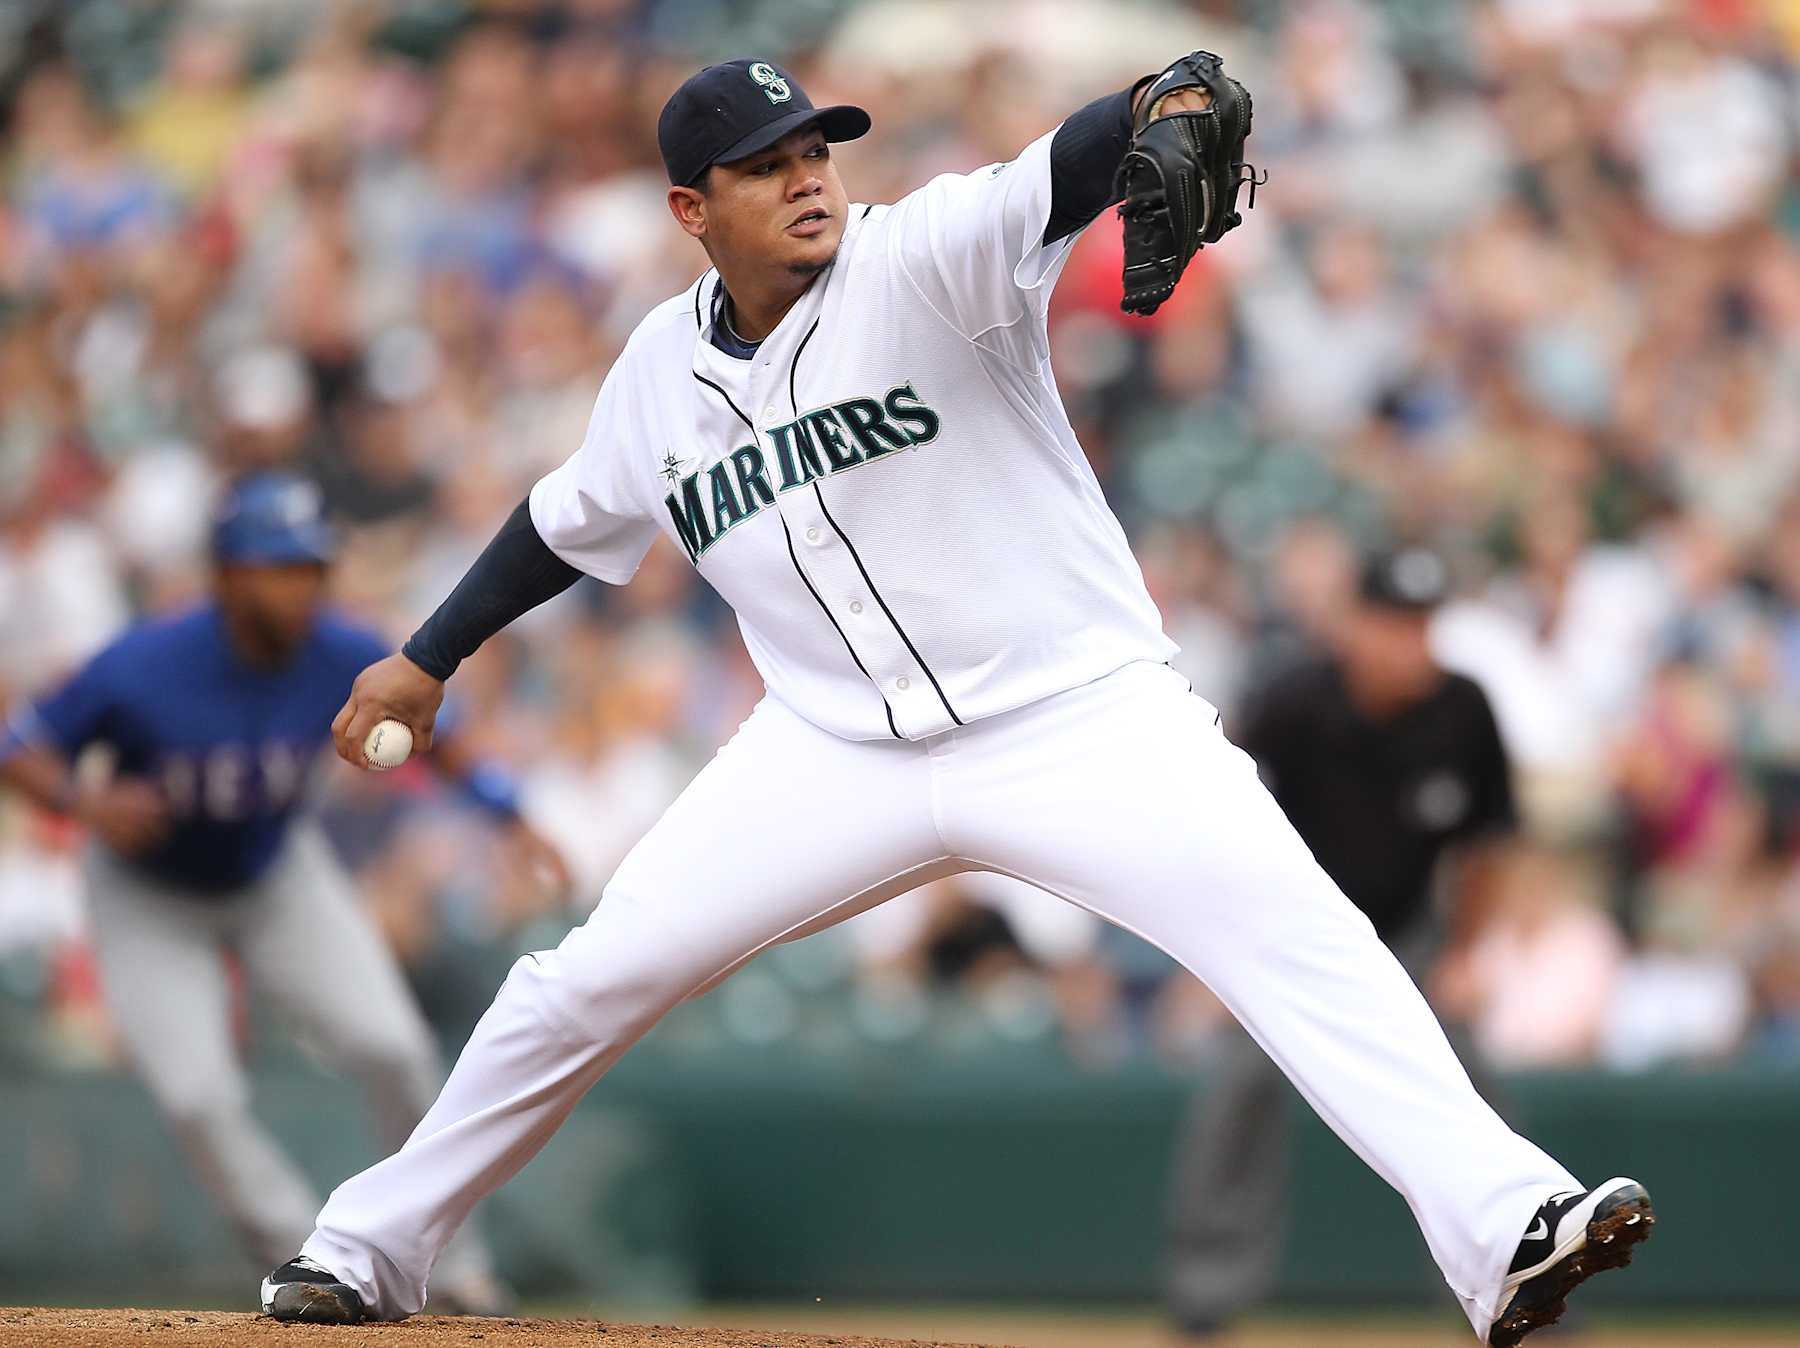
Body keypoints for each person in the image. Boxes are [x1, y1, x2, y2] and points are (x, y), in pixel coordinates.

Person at [261, 57, 1653, 1345]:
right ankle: (367, 1246)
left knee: (1304, 941)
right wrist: (429, 652)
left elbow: (1066, 162)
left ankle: (1507, 1232)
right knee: (580, 982)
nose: (809, 176)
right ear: (692, 207)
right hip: (826, 752)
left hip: (1077, 714)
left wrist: (1162, 105)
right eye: (765, 163)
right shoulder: (655, 378)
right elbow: (565, 523)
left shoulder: (925, 256)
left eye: (816, 148)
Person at [0, 472, 566, 1313]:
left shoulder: (339, 651)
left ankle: (453, 1264)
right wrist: (83, 801)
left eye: (309, 566)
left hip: (274, 873)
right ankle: (308, 1267)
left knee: (394, 1048)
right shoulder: (146, 661)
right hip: (147, 890)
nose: (299, 585)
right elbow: (21, 743)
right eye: (277, 567)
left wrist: (506, 812)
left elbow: (433, 735)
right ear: (228, 573)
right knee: (198, 1096)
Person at [1166, 547, 1521, 1338]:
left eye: (1423, 625)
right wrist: (1217, 953)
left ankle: (1516, 1291)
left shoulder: (1463, 707)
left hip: (1410, 931)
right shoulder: (1294, 701)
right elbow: (1224, 822)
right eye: (1393, 622)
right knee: (1238, 1094)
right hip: (1290, 936)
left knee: (1472, 1098)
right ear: (1354, 624)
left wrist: (1466, 953)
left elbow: (1489, 845)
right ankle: (1204, 1298)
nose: (1410, 642)